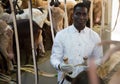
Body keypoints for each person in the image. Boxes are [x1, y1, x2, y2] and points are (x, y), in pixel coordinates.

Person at [50, 2, 103, 84]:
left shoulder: (95, 36)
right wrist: (60, 66)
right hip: (66, 81)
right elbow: (54, 58)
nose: (81, 17)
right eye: (78, 14)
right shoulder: (61, 35)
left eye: (84, 14)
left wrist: (91, 66)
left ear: (88, 16)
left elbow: (99, 58)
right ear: (72, 15)